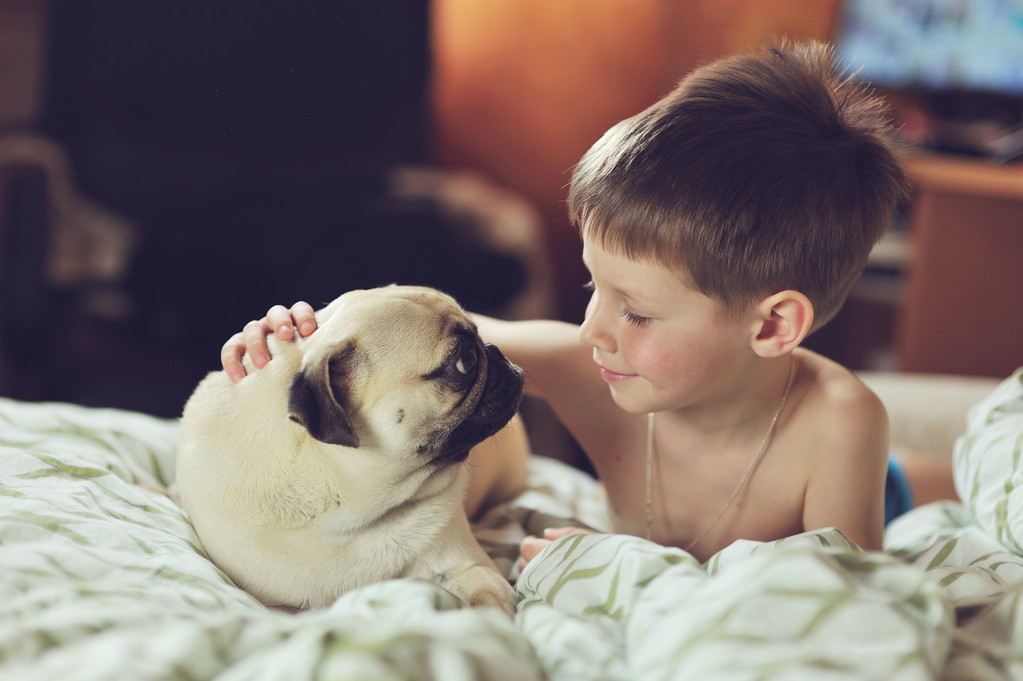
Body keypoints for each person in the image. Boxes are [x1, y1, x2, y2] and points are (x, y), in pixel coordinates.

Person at [221, 40, 915, 564]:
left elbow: (840, 604)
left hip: (878, 487)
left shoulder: (840, 424)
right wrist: (304, 339)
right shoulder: (591, 366)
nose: (592, 329)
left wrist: (623, 562)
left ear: (772, 324)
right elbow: (423, 334)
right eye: (592, 286)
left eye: (635, 311)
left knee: (921, 478)